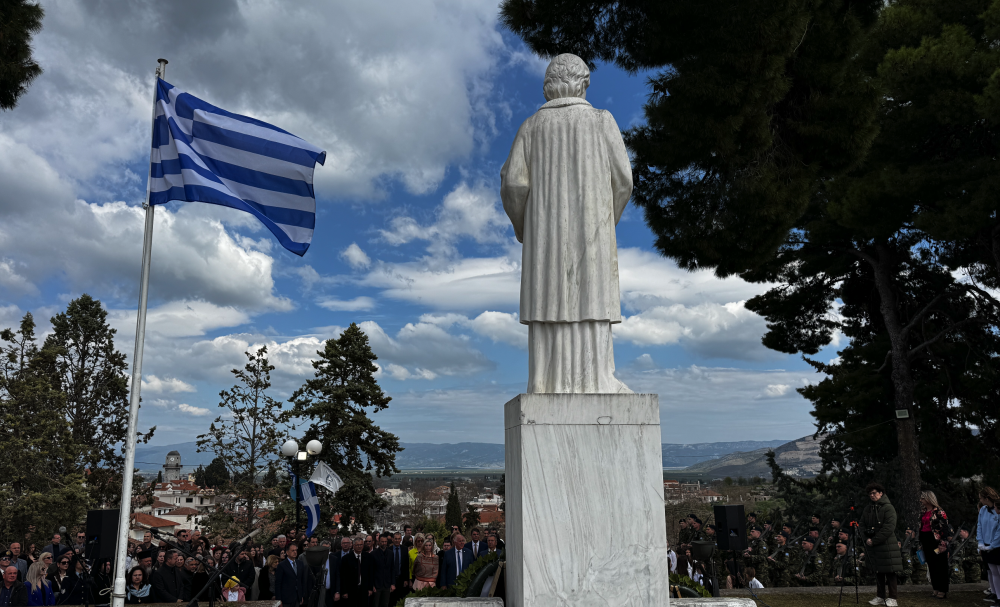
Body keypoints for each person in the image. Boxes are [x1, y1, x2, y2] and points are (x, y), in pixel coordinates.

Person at [500, 52, 634, 394]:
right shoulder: (603, 121)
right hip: (593, 235)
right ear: (582, 83)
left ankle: (545, 382)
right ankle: (598, 379)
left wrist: (525, 229)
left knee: (549, 303)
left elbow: (514, 184)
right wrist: (605, 223)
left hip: (544, 241)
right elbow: (624, 181)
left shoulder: (531, 127)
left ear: (549, 87)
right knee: (590, 301)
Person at [861, 483, 902, 606]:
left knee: (890, 572)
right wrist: (866, 538)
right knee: (878, 571)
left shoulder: (888, 508)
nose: (872, 495)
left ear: (881, 493)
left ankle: (893, 598)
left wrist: (874, 540)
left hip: (887, 545)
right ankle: (880, 596)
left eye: (874, 493)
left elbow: (889, 527)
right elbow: (861, 524)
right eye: (870, 494)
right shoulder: (868, 508)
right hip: (873, 546)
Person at [919, 489, 952, 599]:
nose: (921, 500)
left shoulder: (939, 512)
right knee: (931, 564)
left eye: (923, 498)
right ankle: (935, 588)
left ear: (928, 499)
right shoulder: (923, 511)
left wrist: (943, 543)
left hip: (936, 541)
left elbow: (945, 528)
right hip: (926, 539)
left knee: (940, 565)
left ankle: (942, 589)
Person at [979, 486, 1000, 606]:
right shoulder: (983, 510)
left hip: (996, 545)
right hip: (986, 544)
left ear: (987, 498)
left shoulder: (998, 510)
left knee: (998, 571)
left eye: (981, 498)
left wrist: (992, 544)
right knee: (991, 571)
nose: (980, 501)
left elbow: (998, 531)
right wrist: (980, 542)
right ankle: (996, 594)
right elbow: (980, 526)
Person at [339, 538, 373, 607]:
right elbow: (343, 576)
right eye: (357, 545)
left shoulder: (368, 557)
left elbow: (370, 573)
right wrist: (344, 591)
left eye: (361, 545)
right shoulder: (346, 558)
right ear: (353, 546)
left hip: (364, 589)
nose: (359, 546)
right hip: (351, 589)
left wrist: (370, 588)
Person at [274, 542, 310, 607]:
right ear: (287, 552)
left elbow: (302, 580)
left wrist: (301, 595)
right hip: (286, 599)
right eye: (292, 550)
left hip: (297, 597)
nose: (295, 552)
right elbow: (278, 583)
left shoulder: (300, 563)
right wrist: (278, 600)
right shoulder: (282, 565)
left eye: (296, 550)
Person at [371, 535, 393, 607]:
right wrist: (372, 585)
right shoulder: (373, 554)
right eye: (382, 542)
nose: (384, 543)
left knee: (385, 604)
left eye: (385, 541)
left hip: (387, 584)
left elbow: (392, 569)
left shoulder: (390, 553)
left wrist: (393, 583)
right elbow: (371, 571)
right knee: (375, 604)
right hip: (377, 585)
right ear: (379, 542)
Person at [388, 532, 408, 606]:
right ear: (392, 539)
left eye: (398, 539)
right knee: (391, 600)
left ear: (401, 539)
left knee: (400, 600)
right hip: (391, 579)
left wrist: (406, 579)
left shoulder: (405, 549)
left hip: (401, 578)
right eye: (395, 539)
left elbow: (406, 565)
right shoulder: (388, 549)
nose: (397, 540)